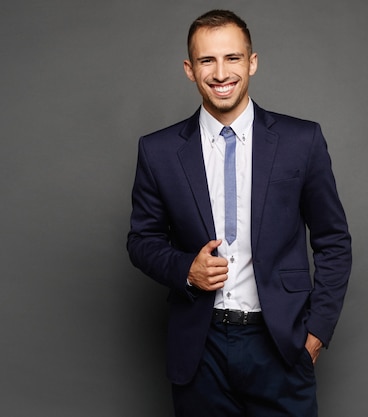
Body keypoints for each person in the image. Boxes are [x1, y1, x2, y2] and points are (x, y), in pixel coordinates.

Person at [127, 9, 352, 417]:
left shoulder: (301, 140)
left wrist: (316, 332)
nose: (220, 72)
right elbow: (141, 241)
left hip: (280, 343)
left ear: (252, 62)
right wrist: (185, 269)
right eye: (206, 60)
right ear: (189, 70)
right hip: (200, 347)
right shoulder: (158, 151)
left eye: (231, 58)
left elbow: (333, 241)